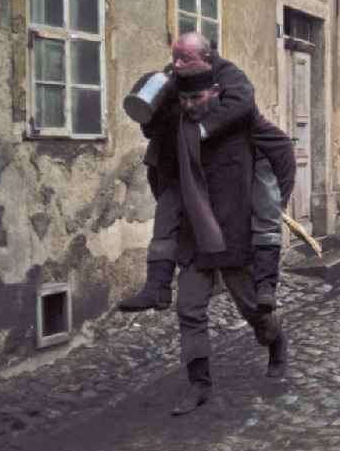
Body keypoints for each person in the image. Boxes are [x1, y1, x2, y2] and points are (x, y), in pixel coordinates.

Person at [131, 32, 291, 415]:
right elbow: (154, 138)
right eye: (183, 99)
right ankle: (199, 386)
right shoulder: (178, 124)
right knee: (189, 309)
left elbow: (281, 152)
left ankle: (276, 344)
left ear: (216, 91)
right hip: (195, 236)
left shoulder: (241, 118)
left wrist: (272, 207)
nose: (190, 106)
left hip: (234, 234)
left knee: (256, 311)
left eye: (197, 98)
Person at [119, 38, 295, 315]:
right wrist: (152, 115)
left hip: (248, 148)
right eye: (175, 57)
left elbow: (243, 103)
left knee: (266, 210)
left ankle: (266, 285)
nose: (176, 64)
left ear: (207, 57)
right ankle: (156, 286)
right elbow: (152, 118)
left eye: (184, 59)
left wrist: (204, 129)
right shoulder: (173, 76)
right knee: (167, 215)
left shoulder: (230, 76)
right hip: (185, 163)